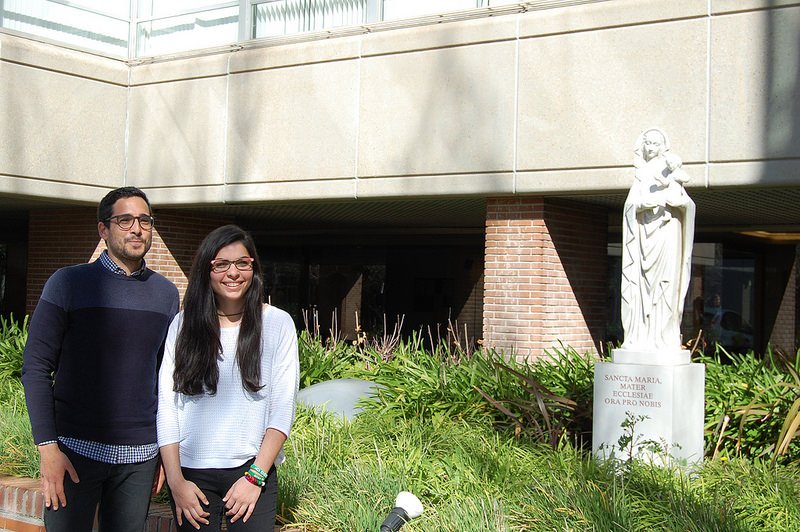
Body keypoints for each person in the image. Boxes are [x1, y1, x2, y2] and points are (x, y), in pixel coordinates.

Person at [21, 186, 180, 532]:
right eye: (124, 220)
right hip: (73, 452)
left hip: (139, 459)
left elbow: (166, 381)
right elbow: (35, 368)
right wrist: (48, 449)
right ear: (103, 230)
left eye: (144, 220)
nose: (137, 228)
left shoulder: (166, 295)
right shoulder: (68, 283)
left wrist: (166, 453)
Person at [157, 225, 299, 531]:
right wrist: (176, 481)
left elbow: (282, 409)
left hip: (252, 471)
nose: (232, 273)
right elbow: (168, 406)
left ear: (254, 268)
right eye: (221, 264)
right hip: (191, 476)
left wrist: (255, 477)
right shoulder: (183, 326)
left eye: (242, 264)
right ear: (206, 271)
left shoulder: (277, 324)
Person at [620, 128, 695, 351]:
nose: (651, 148)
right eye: (648, 144)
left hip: (667, 234)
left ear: (663, 147)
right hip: (643, 236)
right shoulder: (641, 175)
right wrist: (641, 206)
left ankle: (663, 337)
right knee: (642, 284)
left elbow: (688, 205)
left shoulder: (672, 171)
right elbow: (629, 206)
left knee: (666, 283)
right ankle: (639, 336)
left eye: (655, 144)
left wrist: (677, 203)